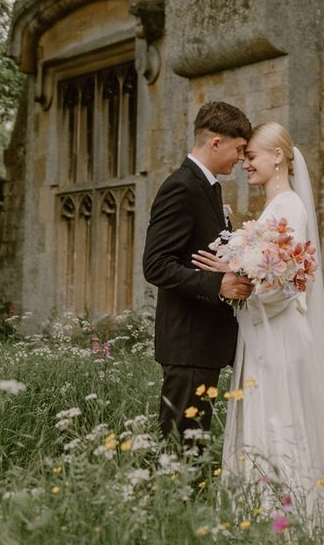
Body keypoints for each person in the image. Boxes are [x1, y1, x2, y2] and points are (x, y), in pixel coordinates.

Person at [192, 122, 324, 522]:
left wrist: (238, 277)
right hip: (265, 333)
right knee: (269, 419)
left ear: (277, 156)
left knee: (281, 421)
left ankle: (286, 516)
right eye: (244, 158)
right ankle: (260, 511)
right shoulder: (276, 207)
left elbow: (285, 285)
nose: (246, 164)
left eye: (252, 156)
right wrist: (235, 272)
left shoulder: (289, 208)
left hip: (278, 335)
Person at [143, 101, 254, 440]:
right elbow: (156, 265)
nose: (240, 158)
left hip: (204, 342)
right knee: (180, 443)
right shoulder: (182, 186)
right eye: (238, 149)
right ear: (215, 142)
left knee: (193, 444)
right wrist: (218, 284)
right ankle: (168, 494)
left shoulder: (206, 187)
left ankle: (182, 493)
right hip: (187, 342)